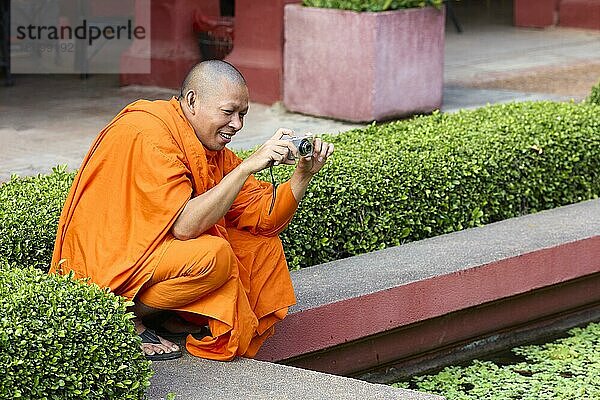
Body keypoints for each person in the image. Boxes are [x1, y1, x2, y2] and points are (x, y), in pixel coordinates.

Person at [50, 60, 334, 361]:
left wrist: (302, 176)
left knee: (259, 247)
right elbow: (184, 227)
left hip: (150, 249)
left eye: (242, 115)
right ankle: (121, 315)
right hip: (109, 258)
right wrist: (250, 164)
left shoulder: (207, 147)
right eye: (228, 113)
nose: (237, 124)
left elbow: (262, 217)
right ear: (192, 101)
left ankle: (170, 310)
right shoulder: (149, 132)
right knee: (214, 256)